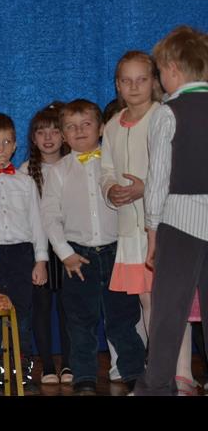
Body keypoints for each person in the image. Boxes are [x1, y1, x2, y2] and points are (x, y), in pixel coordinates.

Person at [40, 99, 145, 395]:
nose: (79, 131)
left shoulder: (115, 165)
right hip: (78, 257)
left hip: (117, 251)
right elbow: (50, 216)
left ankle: (134, 373)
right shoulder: (58, 171)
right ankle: (84, 376)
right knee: (79, 322)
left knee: (123, 319)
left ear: (101, 129)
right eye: (71, 127)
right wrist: (66, 254)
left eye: (86, 124)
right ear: (63, 135)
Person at [134, 25, 208, 396]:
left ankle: (157, 385)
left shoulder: (167, 113)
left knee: (168, 310)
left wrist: (152, 233)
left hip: (180, 222)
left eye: (160, 71)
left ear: (173, 69)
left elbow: (158, 180)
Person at [0, 113, 48, 394]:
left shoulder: (25, 182)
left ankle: (23, 371)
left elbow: (37, 222)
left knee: (22, 317)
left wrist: (41, 260)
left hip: (21, 254)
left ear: (15, 146)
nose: (1, 148)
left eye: (6, 142)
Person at [100, 51, 161, 383]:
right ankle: (156, 365)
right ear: (117, 85)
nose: (134, 87)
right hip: (130, 230)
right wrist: (111, 190)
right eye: (127, 80)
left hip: (163, 225)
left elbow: (176, 169)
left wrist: (145, 189)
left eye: (142, 79)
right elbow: (106, 171)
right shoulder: (111, 126)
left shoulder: (163, 117)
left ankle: (170, 368)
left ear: (154, 82)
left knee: (166, 299)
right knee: (145, 299)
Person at [20, 102, 72, 385]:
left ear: (64, 135)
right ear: (33, 138)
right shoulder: (26, 171)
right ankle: (48, 366)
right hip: (38, 249)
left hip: (69, 246)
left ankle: (69, 364)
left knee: (68, 307)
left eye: (54, 131)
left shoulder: (72, 166)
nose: (48, 137)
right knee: (40, 309)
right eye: (41, 132)